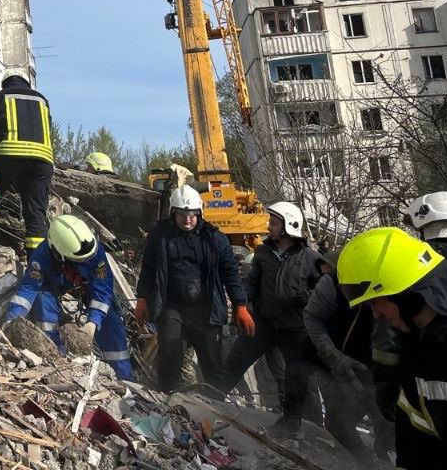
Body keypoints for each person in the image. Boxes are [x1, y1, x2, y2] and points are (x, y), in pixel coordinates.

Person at [337, 227, 447, 469]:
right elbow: (417, 426)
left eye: (377, 303)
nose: (377, 314)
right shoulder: (414, 343)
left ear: (405, 294)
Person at [135, 186, 252, 392]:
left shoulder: (215, 239)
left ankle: (215, 409)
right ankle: (167, 404)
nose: (187, 219)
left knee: (212, 365)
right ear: (173, 213)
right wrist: (142, 298)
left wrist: (240, 304)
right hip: (172, 307)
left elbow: (230, 274)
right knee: (170, 358)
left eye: (192, 215)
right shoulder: (160, 237)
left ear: (199, 213)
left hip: (206, 310)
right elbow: (148, 269)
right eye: (182, 215)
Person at [218, 202, 321, 437]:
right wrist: (241, 305)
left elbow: (320, 293)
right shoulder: (263, 253)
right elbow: (253, 282)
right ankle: (209, 403)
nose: (269, 227)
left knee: (297, 376)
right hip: (264, 322)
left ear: (288, 226)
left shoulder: (311, 258)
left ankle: (304, 425)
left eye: (274, 223)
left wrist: (306, 304)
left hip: (295, 328)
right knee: (235, 361)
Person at [6, 215, 134, 378]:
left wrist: (93, 322)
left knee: (111, 320)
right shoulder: (42, 256)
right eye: (80, 260)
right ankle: (56, 359)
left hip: (85, 284)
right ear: (58, 253)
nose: (87, 261)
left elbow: (102, 290)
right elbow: (28, 289)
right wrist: (13, 320)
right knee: (44, 308)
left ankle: (124, 376)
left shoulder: (95, 252)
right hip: (53, 283)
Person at [303, 248, 392, 463]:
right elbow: (312, 317)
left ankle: (388, 457)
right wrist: (334, 357)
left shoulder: (393, 281)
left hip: (383, 362)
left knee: (388, 421)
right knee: (338, 423)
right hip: (341, 361)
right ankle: (366, 465)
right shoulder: (330, 284)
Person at [0, 69, 53, 255]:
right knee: (36, 212)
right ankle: (37, 261)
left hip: (9, 156)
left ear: (5, 82)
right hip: (42, 160)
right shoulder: (42, 99)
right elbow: (48, 130)